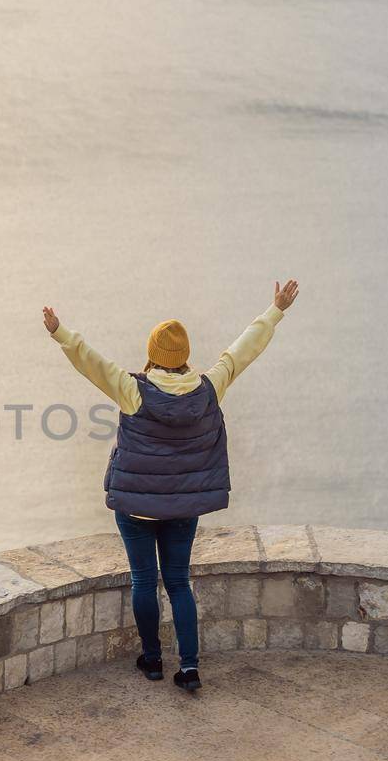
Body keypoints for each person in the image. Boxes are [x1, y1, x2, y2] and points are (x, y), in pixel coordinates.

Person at [42, 280, 299, 692]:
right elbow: (242, 352)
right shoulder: (209, 388)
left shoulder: (133, 390)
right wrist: (275, 310)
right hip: (182, 510)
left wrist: (60, 332)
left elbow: (90, 361)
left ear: (152, 355)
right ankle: (191, 667)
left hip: (138, 509)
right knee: (178, 582)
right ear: (185, 357)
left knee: (144, 581)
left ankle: (153, 659)